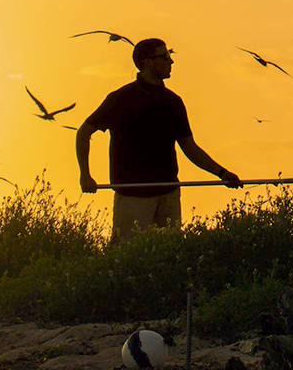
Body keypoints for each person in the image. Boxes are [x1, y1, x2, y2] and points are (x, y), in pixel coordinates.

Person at [76, 38, 241, 244]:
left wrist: (222, 173)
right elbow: (83, 133)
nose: (171, 62)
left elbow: (189, 148)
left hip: (168, 194)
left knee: (169, 258)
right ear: (146, 62)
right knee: (126, 260)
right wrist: (85, 175)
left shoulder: (173, 102)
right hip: (132, 197)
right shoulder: (120, 99)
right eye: (164, 57)